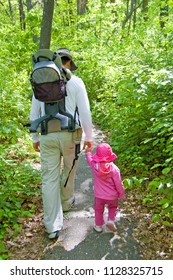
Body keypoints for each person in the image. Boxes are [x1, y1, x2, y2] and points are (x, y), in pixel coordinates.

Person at [30, 48, 93, 239]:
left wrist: (35, 138)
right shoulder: (76, 82)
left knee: (48, 178)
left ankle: (52, 226)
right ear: (67, 62)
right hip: (70, 136)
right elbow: (84, 112)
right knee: (69, 170)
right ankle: (66, 203)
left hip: (47, 136)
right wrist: (89, 137)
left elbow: (34, 113)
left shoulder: (41, 81)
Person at [85, 143, 124, 232]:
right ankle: (110, 220)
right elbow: (118, 183)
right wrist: (121, 193)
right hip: (112, 196)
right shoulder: (114, 169)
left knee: (98, 210)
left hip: (99, 196)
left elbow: (89, 159)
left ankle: (98, 226)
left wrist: (88, 152)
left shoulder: (95, 165)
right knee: (113, 207)